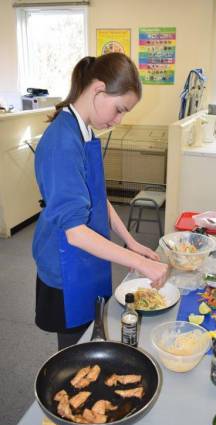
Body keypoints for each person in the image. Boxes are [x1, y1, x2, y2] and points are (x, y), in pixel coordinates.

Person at [32, 53, 168, 350]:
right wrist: (140, 265)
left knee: (92, 333)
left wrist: (130, 242)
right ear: (97, 90)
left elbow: (98, 197)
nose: (118, 120)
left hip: (88, 255)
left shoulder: (84, 131)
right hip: (66, 264)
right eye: (119, 109)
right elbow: (75, 232)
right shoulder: (62, 142)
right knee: (75, 351)